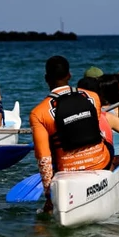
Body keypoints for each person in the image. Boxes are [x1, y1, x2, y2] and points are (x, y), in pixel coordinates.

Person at [29, 55, 111, 212]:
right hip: (101, 163)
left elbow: (43, 158)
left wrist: (50, 195)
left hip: (67, 170)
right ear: (69, 75)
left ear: (47, 78)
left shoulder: (38, 113)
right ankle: (111, 175)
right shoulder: (93, 97)